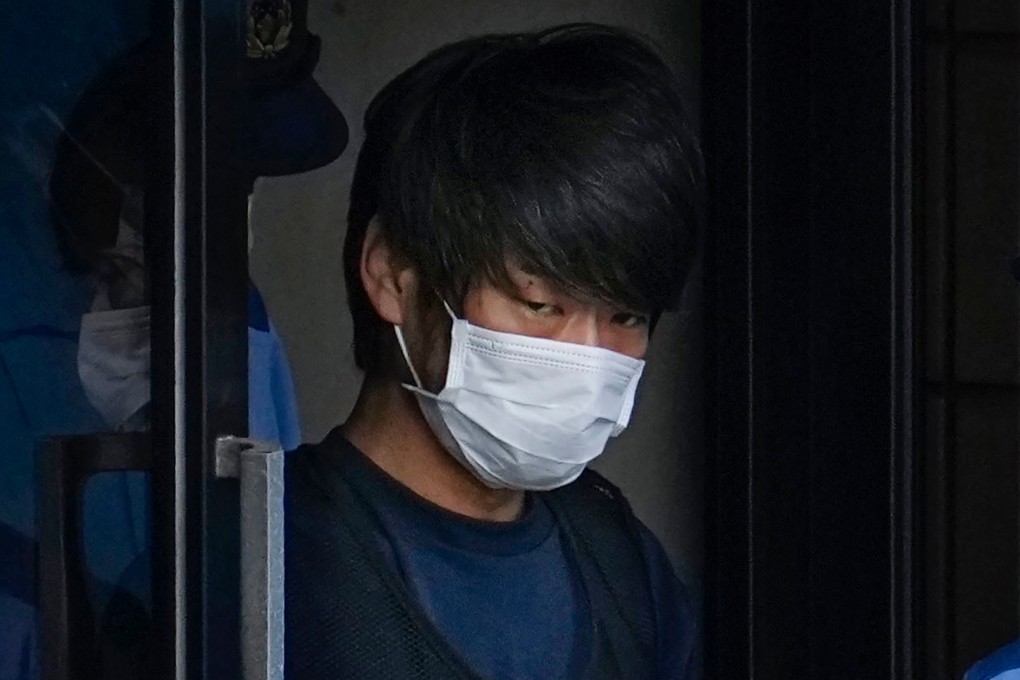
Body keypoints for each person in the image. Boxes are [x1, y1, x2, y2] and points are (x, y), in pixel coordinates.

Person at [285, 23, 704, 679]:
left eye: (625, 315)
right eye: (541, 305)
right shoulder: (268, 563)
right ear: (394, 273)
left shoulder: (624, 569)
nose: (587, 357)